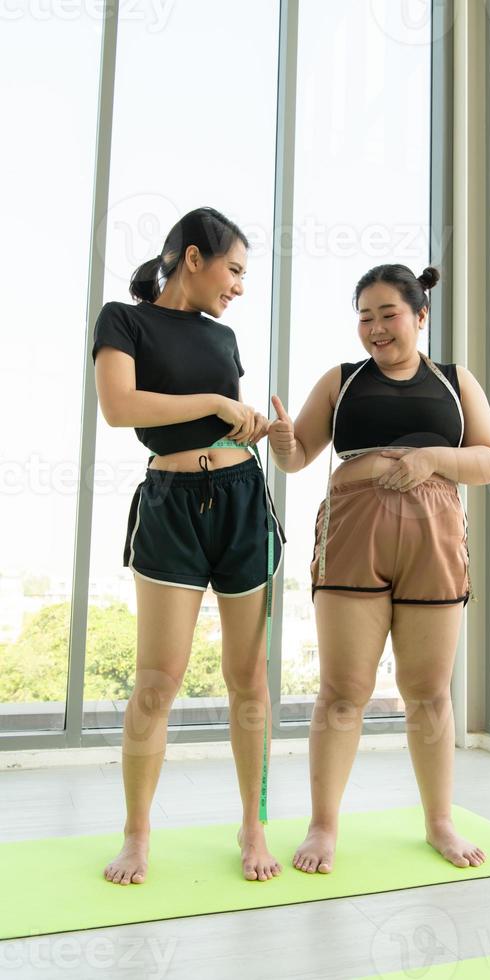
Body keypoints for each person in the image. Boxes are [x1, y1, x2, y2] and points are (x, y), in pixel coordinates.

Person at [267, 263, 490, 873]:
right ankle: (323, 828)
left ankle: (439, 822)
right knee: (344, 692)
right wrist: (281, 437)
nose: (375, 328)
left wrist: (430, 457)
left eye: (388, 314)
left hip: (435, 536)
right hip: (354, 533)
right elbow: (297, 460)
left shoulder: (455, 381)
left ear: (420, 316)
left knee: (427, 693)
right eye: (365, 317)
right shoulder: (341, 381)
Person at [92, 206, 286, 885]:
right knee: (156, 684)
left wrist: (258, 429)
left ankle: (253, 827)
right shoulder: (123, 318)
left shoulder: (223, 338)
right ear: (195, 257)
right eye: (233, 269)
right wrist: (216, 402)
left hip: (240, 501)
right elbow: (121, 407)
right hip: (171, 507)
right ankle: (137, 836)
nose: (238, 285)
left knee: (249, 681)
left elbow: (226, 428)